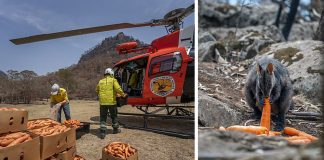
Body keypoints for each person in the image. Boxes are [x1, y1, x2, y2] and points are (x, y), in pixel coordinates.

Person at [96, 68, 127, 139]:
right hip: (112, 102)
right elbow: (118, 88)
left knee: (103, 117)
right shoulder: (113, 80)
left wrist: (100, 95)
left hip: (103, 103)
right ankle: (115, 129)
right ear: (111, 73)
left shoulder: (100, 81)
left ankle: (103, 132)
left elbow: (97, 90)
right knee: (114, 116)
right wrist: (123, 94)